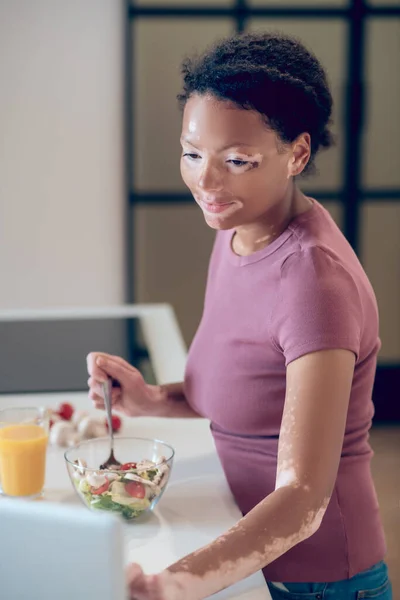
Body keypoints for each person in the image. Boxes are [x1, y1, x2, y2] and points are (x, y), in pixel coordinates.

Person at [86, 32, 392, 600]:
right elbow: (250, 390)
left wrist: (170, 586)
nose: (206, 180)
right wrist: (152, 399)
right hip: (245, 551)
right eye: (192, 153)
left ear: (297, 154)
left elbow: (303, 499)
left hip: (317, 579)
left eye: (238, 161)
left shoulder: (312, 281)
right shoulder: (239, 229)